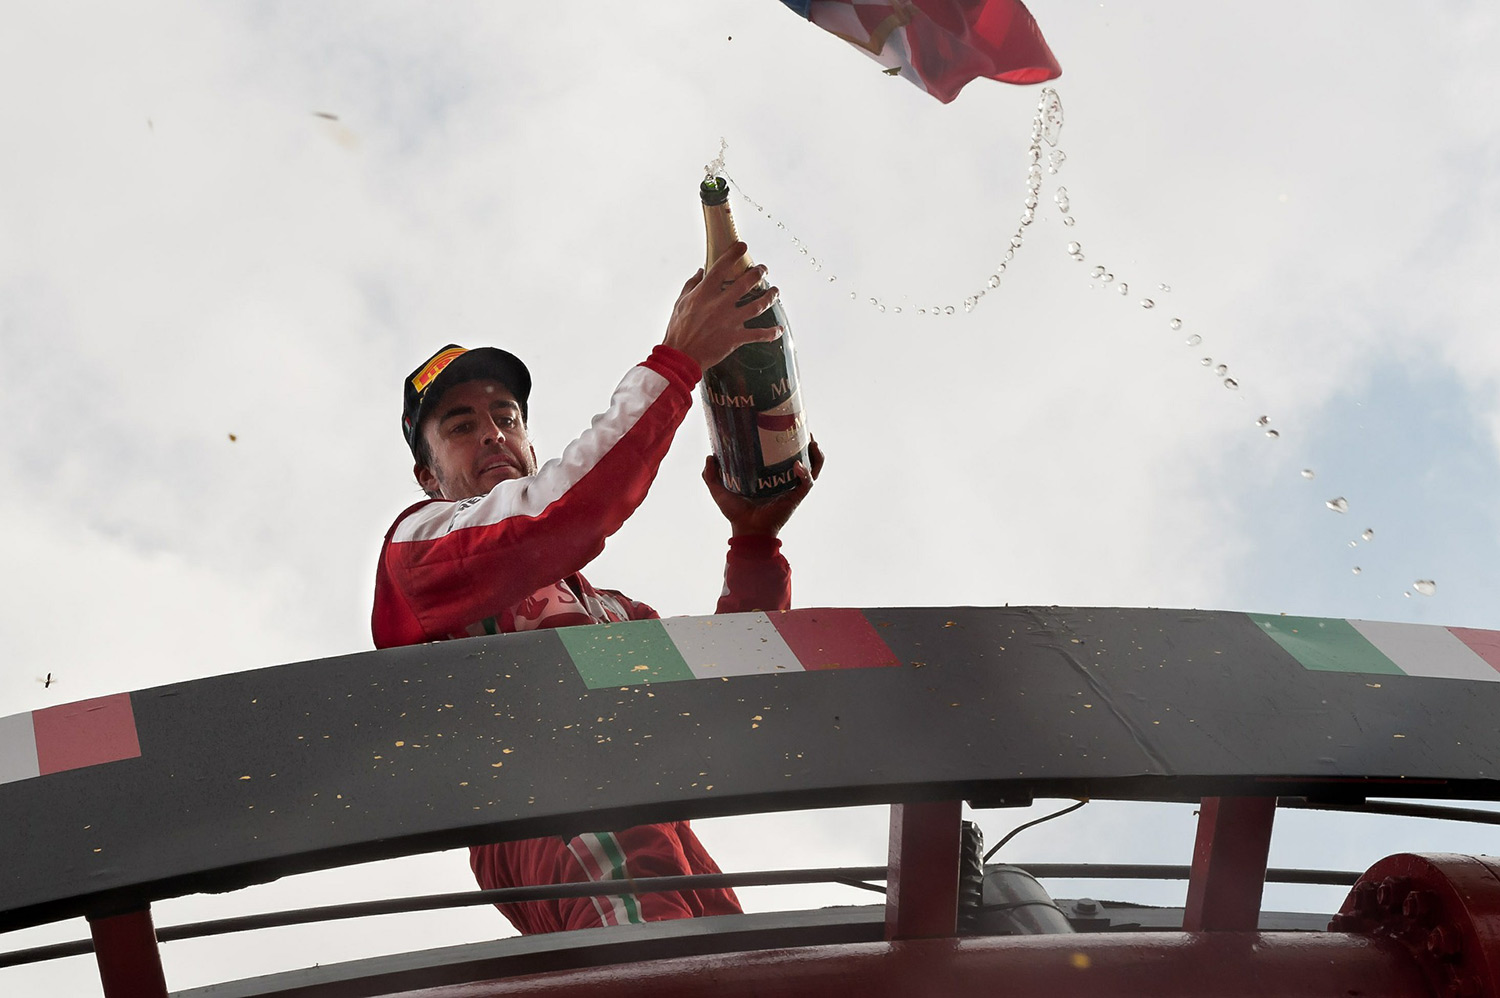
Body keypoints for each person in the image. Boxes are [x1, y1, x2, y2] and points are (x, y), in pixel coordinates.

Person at [372, 243, 822, 935]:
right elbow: (558, 512)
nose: (492, 433)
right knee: (654, 949)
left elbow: (730, 695)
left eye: (507, 417)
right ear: (428, 476)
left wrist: (755, 543)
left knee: (736, 963)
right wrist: (677, 362)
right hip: (547, 808)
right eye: (460, 426)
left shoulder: (611, 612)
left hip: (663, 835)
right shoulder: (419, 543)